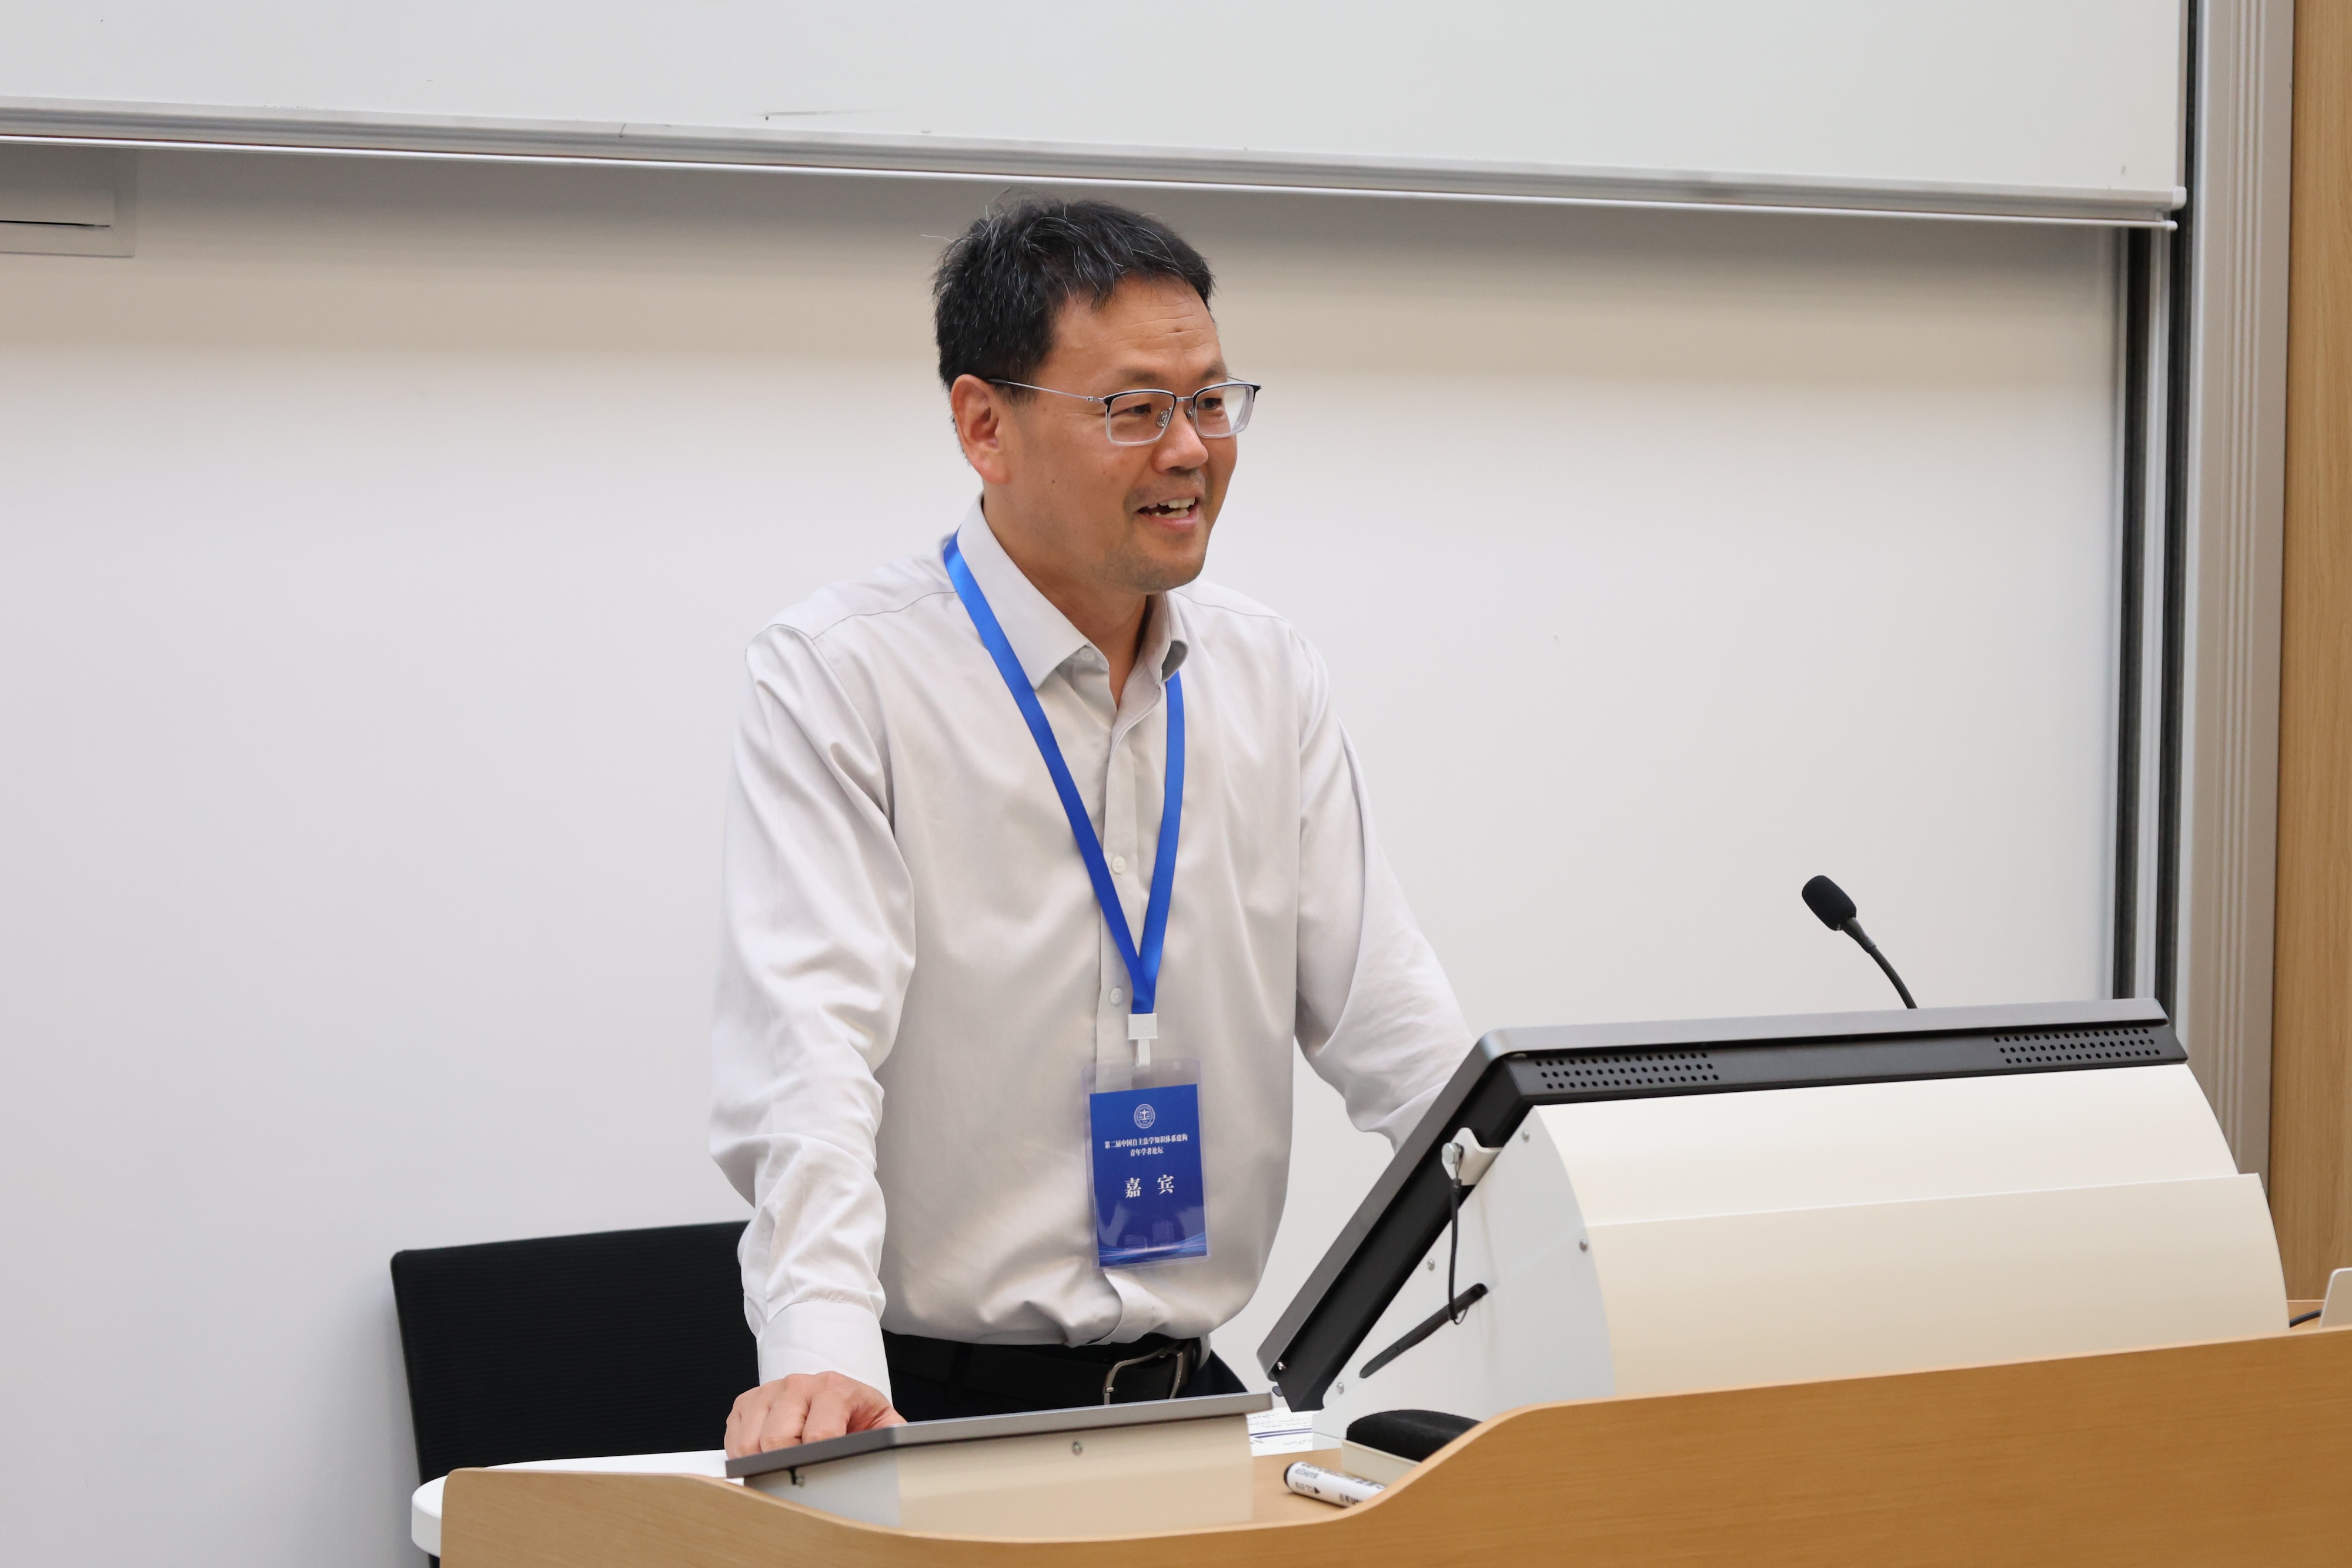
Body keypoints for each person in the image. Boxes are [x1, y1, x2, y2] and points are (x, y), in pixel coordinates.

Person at [711, 196, 1470, 1457]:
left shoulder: (1266, 672)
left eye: (1212, 401)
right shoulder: (843, 675)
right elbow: (810, 1051)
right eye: (1133, 409)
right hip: (930, 1410)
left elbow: (1393, 1022)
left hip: (1196, 1408)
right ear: (983, 426)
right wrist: (821, 1356)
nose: (1190, 450)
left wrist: (1590, 1233)